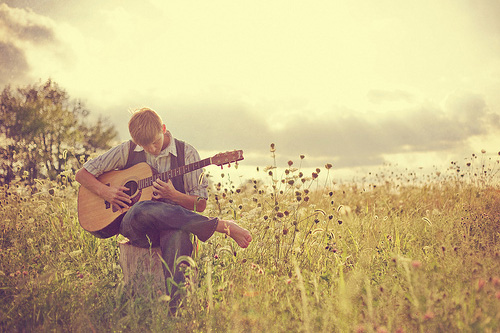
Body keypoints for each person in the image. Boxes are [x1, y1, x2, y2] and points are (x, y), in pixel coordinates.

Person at [75, 107, 252, 311]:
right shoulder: (128, 149)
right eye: (144, 145)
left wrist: (174, 196)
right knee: (142, 208)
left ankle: (175, 311)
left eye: (155, 142)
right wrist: (105, 192)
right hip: (137, 226)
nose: (151, 148)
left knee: (177, 233)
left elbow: (200, 204)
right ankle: (220, 226)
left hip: (173, 226)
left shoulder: (187, 153)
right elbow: (82, 174)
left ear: (164, 129)